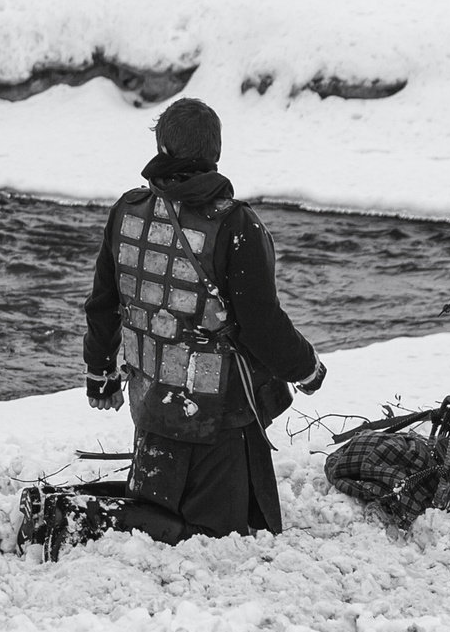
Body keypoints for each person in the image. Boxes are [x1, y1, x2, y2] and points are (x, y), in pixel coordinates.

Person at [81, 97, 324, 542]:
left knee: (161, 513)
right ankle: (94, 521)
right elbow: (261, 323)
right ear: (216, 152)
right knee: (221, 535)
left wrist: (101, 375)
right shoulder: (236, 225)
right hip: (219, 417)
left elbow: (104, 304)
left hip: (151, 402)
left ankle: (104, 518)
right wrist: (306, 368)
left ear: (163, 147)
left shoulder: (128, 211)